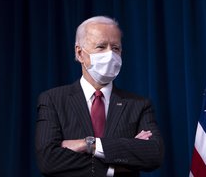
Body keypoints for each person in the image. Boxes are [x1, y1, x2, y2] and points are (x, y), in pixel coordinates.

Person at [35, 16, 164, 177]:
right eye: (101, 46)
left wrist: (89, 144)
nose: (110, 54)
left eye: (115, 48)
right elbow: (48, 160)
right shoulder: (53, 100)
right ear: (80, 53)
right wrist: (116, 165)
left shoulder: (138, 104)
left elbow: (154, 154)